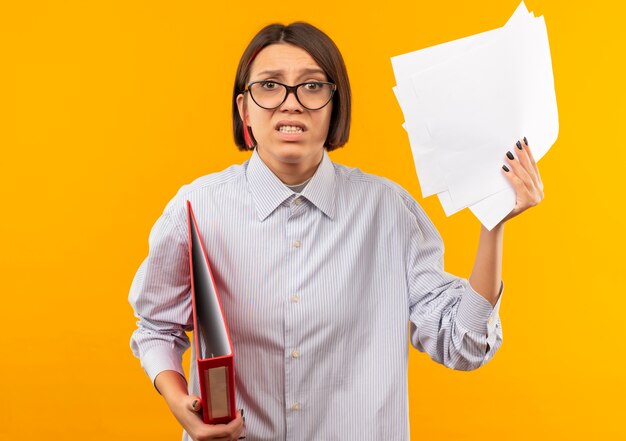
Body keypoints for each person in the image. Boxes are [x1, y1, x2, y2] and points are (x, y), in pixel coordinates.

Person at [129, 21, 544, 441]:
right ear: (244, 110)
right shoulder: (197, 207)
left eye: (312, 87)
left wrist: (494, 222)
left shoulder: (389, 210)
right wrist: (179, 399)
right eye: (270, 86)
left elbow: (462, 345)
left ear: (334, 106)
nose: (290, 103)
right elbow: (156, 327)